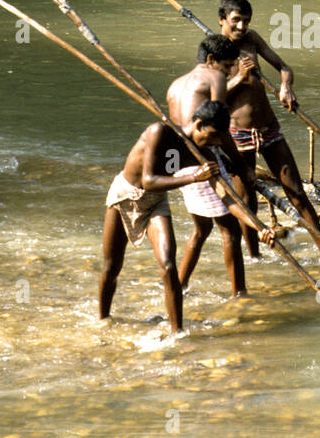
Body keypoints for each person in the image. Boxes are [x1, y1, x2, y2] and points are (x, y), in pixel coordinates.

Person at [98, 100, 271, 332]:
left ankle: (176, 331)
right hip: (125, 196)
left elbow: (228, 198)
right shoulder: (160, 132)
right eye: (210, 137)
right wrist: (194, 177)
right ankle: (103, 320)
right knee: (112, 266)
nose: (213, 144)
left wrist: (259, 227)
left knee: (168, 265)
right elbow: (149, 180)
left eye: (218, 140)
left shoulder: (203, 153)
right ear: (198, 125)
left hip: (156, 203)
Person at [216, 0, 320, 264]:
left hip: (269, 128)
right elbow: (213, 100)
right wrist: (241, 79)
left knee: (297, 193)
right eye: (236, 21)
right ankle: (254, 256)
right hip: (237, 135)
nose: (242, 27)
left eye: (246, 21)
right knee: (246, 200)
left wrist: (285, 86)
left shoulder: (252, 40)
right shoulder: (215, 50)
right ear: (222, 20)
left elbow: (283, 67)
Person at [166, 35, 265, 291]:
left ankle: (180, 286)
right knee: (230, 229)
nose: (229, 72)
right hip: (202, 160)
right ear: (212, 60)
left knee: (201, 229)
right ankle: (239, 294)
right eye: (227, 66)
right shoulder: (214, 77)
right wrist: (241, 166)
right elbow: (221, 129)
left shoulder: (176, 85)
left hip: (179, 161)